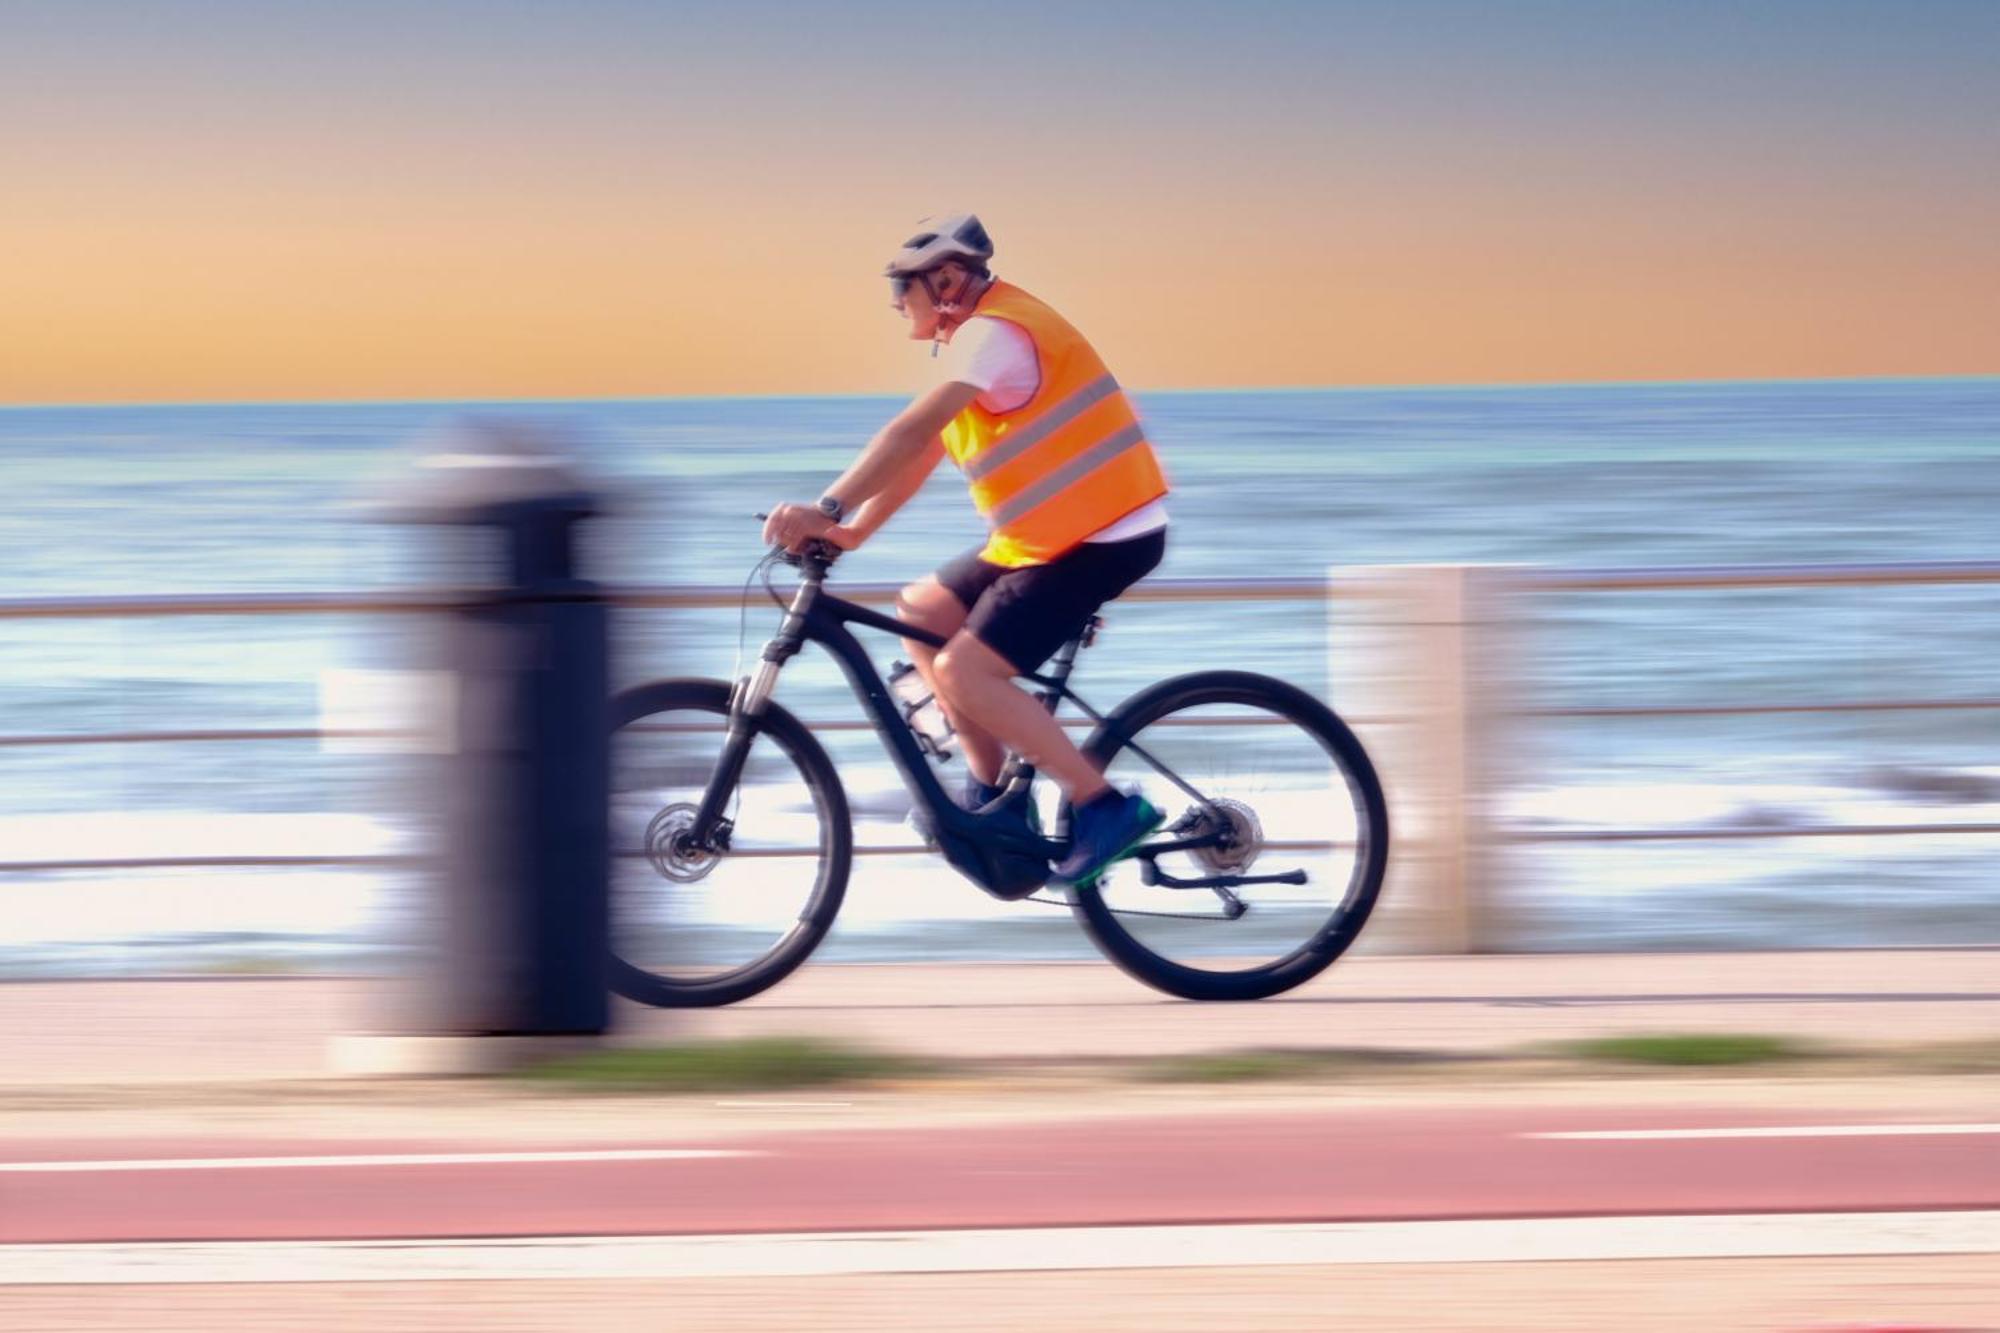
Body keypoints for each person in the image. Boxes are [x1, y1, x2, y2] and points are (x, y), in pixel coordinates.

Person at [761, 213, 1170, 888]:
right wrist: (853, 533)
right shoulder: (981, 339)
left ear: (946, 280)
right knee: (922, 609)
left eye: (902, 285)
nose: (895, 302)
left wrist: (825, 505)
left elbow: (907, 429)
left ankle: (1104, 805)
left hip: (1105, 534)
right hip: (1048, 536)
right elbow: (926, 449)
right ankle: (993, 797)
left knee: (964, 672)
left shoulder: (994, 333)